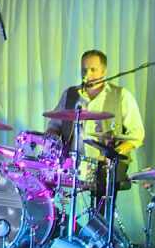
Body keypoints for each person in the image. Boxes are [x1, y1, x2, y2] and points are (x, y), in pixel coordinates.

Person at [45, 49, 145, 194]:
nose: (87, 75)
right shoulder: (70, 94)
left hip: (105, 168)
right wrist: (51, 140)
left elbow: (137, 134)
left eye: (93, 70)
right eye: (84, 70)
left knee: (100, 210)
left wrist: (115, 153)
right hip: (72, 165)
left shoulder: (121, 96)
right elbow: (54, 125)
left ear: (104, 71)